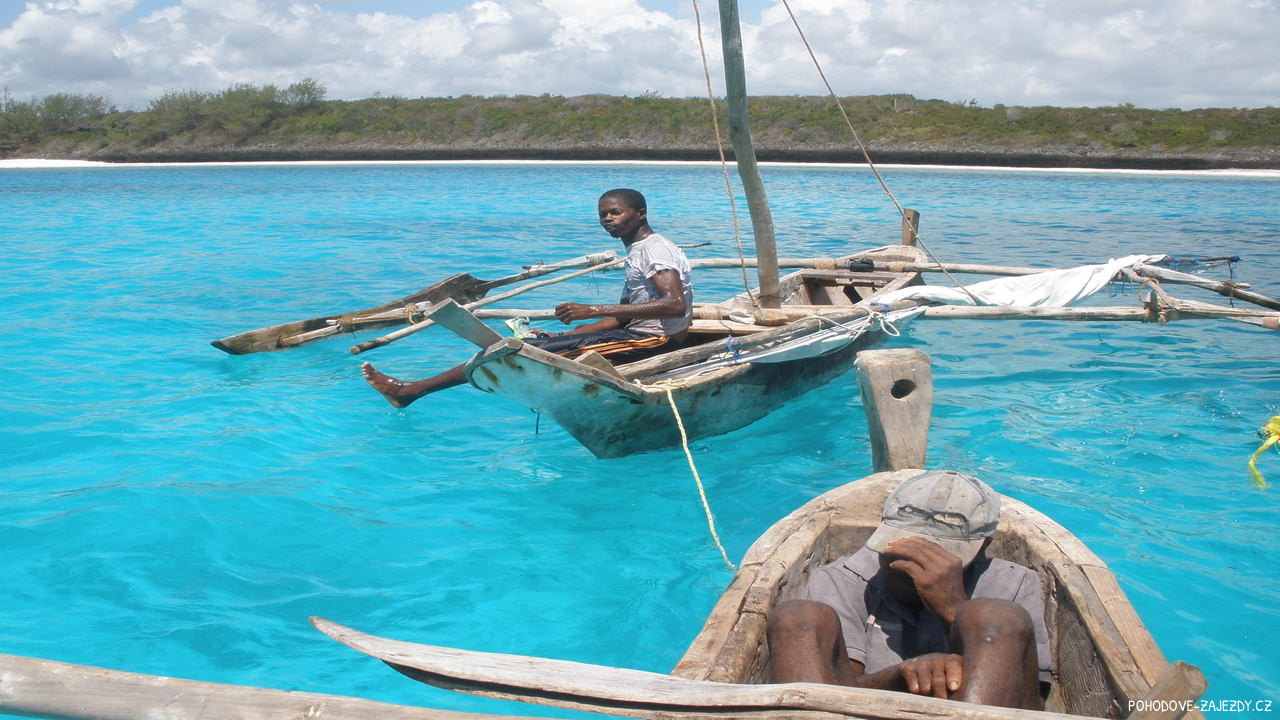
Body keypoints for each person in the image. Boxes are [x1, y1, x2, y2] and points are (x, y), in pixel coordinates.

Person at [362, 188, 694, 408]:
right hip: (638, 333)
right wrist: (568, 333)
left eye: (616, 212)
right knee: (535, 341)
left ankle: (410, 391)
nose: (607, 219)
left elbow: (675, 304)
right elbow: (624, 316)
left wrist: (588, 309)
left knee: (521, 350)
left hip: (656, 340)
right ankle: (413, 390)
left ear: (640, 213)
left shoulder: (654, 250)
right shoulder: (639, 250)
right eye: (603, 214)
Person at [767, 470, 1050, 709]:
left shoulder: (1013, 583)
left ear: (982, 548)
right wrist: (900, 677)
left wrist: (953, 609)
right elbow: (840, 688)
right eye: (900, 546)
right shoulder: (844, 579)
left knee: (994, 616)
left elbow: (1032, 700)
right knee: (796, 616)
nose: (908, 566)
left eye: (936, 556)